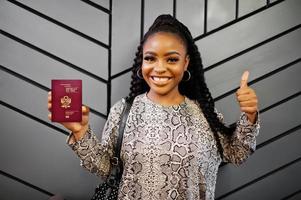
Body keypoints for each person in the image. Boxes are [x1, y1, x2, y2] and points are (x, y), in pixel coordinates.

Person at [47, 14, 260, 200]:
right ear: (142, 61)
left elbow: (237, 153)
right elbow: (106, 168)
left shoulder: (205, 116)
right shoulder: (123, 111)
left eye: (171, 59)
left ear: (185, 63)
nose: (160, 68)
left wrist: (249, 115)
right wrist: (80, 131)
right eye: (150, 58)